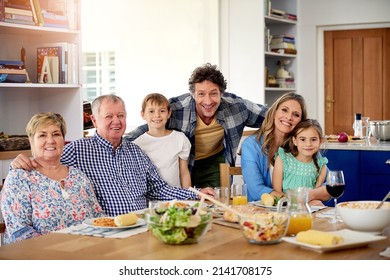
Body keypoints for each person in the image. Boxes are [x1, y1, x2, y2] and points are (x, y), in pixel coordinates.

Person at [10, 95, 216, 217]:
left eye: (121, 116)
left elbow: (159, 188)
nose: (116, 121)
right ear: (94, 119)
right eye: (108, 116)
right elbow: (46, 166)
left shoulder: (135, 151)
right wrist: (19, 163)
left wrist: (197, 194)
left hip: (142, 226)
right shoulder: (77, 150)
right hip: (106, 230)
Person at [127, 63, 268, 188]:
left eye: (213, 94)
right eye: (201, 94)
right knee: (186, 206)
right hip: (183, 162)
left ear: (222, 94)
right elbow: (148, 126)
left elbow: (273, 116)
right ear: (193, 94)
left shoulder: (237, 107)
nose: (208, 101)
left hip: (213, 160)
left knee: (212, 203)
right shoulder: (176, 109)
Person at [0, 112, 103, 244]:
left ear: (63, 139)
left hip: (86, 251)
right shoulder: (20, 177)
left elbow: (98, 217)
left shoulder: (78, 176)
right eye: (42, 135)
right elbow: (19, 232)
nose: (50, 140)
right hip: (40, 257)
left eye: (56, 134)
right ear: (31, 141)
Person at [241, 92, 330, 204]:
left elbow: (330, 185)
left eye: (296, 114)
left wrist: (309, 196)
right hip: (262, 211)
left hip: (300, 211)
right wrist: (298, 200)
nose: (288, 117)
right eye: (284, 110)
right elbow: (255, 190)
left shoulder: (304, 146)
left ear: (301, 122)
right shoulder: (251, 145)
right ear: (274, 112)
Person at [133, 93, 191, 188]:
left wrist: (188, 198)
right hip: (151, 200)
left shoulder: (180, 139)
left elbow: (184, 173)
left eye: (162, 111)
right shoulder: (137, 145)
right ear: (143, 114)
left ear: (169, 113)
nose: (157, 115)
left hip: (176, 198)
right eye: (151, 111)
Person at [272, 119, 328, 193]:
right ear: (295, 141)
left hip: (308, 203)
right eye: (302, 139)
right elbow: (277, 192)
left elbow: (315, 195)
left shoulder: (321, 167)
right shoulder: (283, 159)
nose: (308, 144)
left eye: (313, 140)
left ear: (320, 141)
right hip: (285, 203)